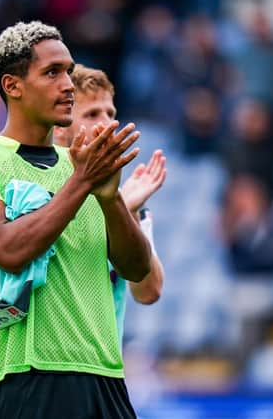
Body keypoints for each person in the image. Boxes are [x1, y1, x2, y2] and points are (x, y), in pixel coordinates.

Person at [0, 21, 151, 418]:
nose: (68, 84)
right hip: (26, 380)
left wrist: (110, 200)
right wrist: (83, 182)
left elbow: (136, 268)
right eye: (52, 72)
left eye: (69, 71)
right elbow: (7, 249)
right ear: (12, 86)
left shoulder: (84, 165)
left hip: (106, 380)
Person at [54, 64, 166, 342]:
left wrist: (126, 212)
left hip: (104, 370)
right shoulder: (39, 191)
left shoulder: (126, 197)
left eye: (111, 113)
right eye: (92, 114)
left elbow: (149, 292)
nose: (108, 124)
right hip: (49, 367)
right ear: (59, 128)